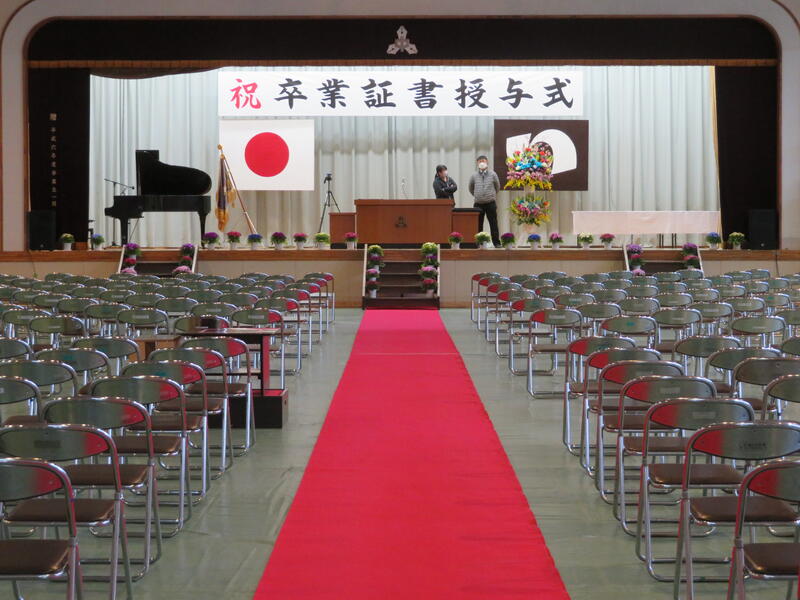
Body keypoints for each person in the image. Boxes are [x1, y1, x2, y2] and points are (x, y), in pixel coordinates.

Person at [468, 155, 501, 247]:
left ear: (487, 162)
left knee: (493, 224)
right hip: (478, 204)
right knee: (478, 224)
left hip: (490, 203)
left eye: (483, 161)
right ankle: (479, 243)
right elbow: (470, 188)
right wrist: (478, 195)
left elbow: (497, 187)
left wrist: (491, 195)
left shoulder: (493, 174)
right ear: (477, 163)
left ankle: (496, 243)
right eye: (480, 161)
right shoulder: (474, 175)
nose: (482, 163)